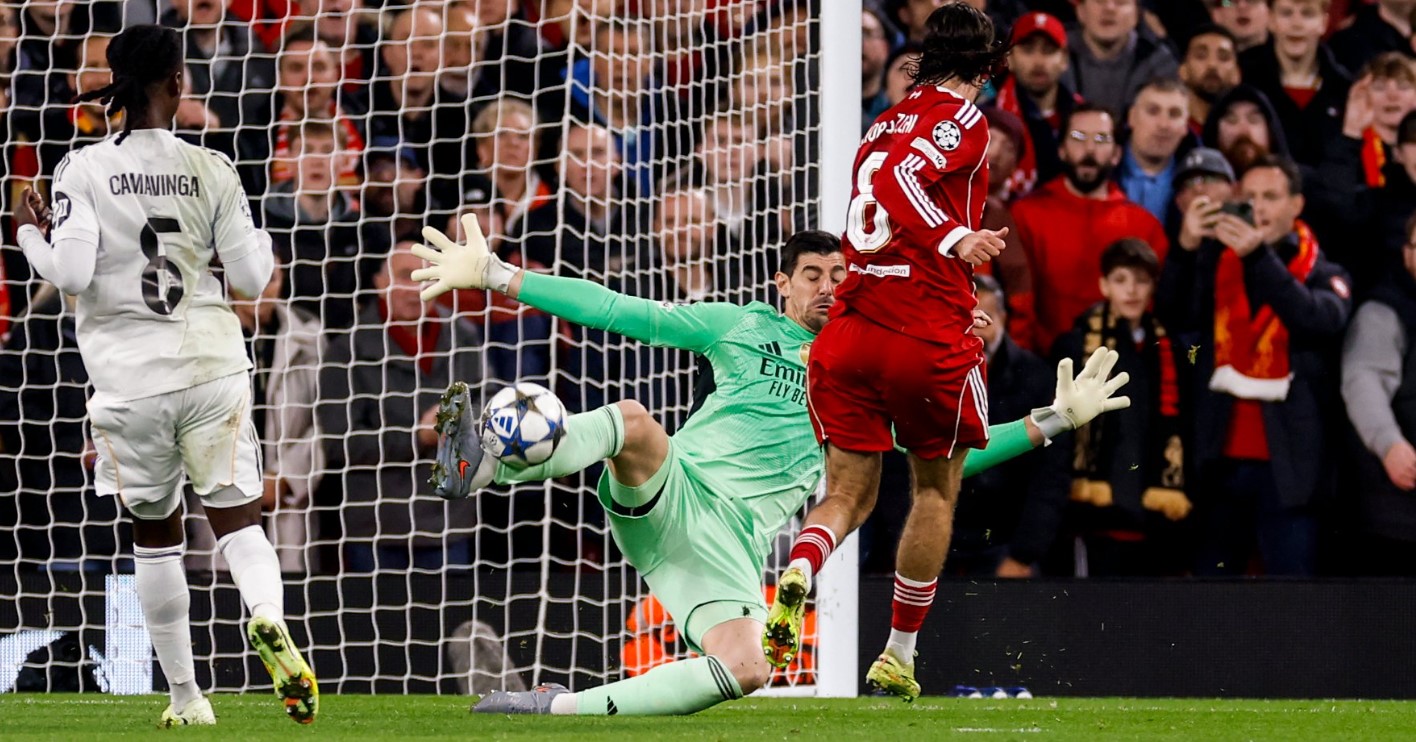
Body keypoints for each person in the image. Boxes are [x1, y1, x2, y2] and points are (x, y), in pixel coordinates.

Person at [412, 221, 1129, 715]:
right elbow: (618, 309)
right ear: (782, 283)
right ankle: (486, 469)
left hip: (730, 548)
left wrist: (1054, 420)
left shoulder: (867, 378)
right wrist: (501, 276)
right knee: (632, 421)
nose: (828, 287)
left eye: (840, 276)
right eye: (812, 275)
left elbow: (946, 461)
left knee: (750, 670)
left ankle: (557, 707)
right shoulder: (740, 327)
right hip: (675, 489)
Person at [12, 25, 315, 726]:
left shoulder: (82, 168)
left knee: (155, 536)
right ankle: (266, 614)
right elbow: (252, 280)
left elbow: (72, 274)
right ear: (178, 83)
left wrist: (28, 234)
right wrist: (261, 237)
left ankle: (187, 698)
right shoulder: (213, 167)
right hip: (211, 365)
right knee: (239, 520)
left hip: (130, 381)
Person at [778, 4, 1016, 702]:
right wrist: (956, 241)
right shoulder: (964, 117)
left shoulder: (881, 121)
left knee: (847, 495)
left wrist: (951, 286)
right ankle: (898, 656)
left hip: (851, 334)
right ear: (986, 67)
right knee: (935, 490)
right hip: (922, 339)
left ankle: (801, 565)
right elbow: (899, 184)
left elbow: (883, 209)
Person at [1157, 154, 1351, 576]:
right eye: (1249, 197)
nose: (1258, 207)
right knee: (1212, 598)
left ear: (1296, 204)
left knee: (1290, 599)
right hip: (1217, 462)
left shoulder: (1323, 270)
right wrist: (1185, 249)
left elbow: (1316, 318)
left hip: (1291, 472)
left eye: (1271, 197)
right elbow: (1173, 318)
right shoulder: (1215, 260)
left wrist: (1258, 256)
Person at [1052, 239, 1192, 577]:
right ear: (1104, 285)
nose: (1131, 290)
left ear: (1153, 286)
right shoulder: (1075, 345)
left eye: (1141, 280)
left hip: (1154, 514)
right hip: (1092, 517)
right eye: (1120, 279)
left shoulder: (1170, 348)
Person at [1013, 103, 1169, 354]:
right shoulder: (1026, 215)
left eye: (1101, 139)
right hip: (1042, 360)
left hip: (1121, 362)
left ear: (1117, 154)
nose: (1089, 149)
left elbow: (1152, 307)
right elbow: (1019, 301)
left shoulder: (1145, 225)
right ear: (1062, 150)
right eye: (1078, 138)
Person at [1341, 213, 1416, 575]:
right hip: (1400, 511)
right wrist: (1389, 444)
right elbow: (1363, 380)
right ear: (1407, 254)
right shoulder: (1385, 311)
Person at [1237, 0, 1352, 168]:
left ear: (1323, 22)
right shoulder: (1243, 78)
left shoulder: (1345, 88)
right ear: (1271, 20)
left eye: (1307, 14)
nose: (1296, 24)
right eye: (1286, 13)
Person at [1062, 0, 1178, 116]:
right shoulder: (1058, 53)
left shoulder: (1158, 61)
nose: (1109, 9)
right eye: (1100, 1)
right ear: (1081, 11)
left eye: (1121, 2)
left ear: (1137, 14)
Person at [1117, 78, 1195, 223]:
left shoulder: (1199, 180)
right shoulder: (1099, 164)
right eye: (1153, 111)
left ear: (1186, 125)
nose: (1164, 124)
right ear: (1132, 117)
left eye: (1174, 114)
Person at [1179, 25, 1243, 135]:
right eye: (1201, 56)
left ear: (1236, 74)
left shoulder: (1242, 135)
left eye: (1223, 57)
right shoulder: (1171, 131)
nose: (1212, 65)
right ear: (1183, 71)